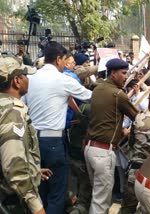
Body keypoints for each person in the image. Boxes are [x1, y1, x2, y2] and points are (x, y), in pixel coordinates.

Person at [23, 41, 92, 214]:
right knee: (57, 191)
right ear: (59, 59)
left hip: (32, 140)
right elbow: (89, 96)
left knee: (40, 188)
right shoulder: (63, 80)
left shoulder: (30, 79)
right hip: (53, 141)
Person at [85, 58, 139, 214]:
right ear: (113, 73)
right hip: (103, 152)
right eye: (123, 73)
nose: (125, 76)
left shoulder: (97, 89)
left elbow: (104, 118)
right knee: (101, 202)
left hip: (90, 149)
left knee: (97, 196)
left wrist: (120, 130)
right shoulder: (118, 94)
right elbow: (138, 118)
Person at [0, 55, 46, 214]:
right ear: (16, 81)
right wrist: (36, 207)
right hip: (12, 202)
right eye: (25, 75)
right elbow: (14, 166)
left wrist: (34, 169)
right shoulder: (13, 112)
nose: (28, 79)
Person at [120, 89, 150, 214]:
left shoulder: (138, 118)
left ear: (149, 103)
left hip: (135, 171)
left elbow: (131, 143)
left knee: (127, 208)